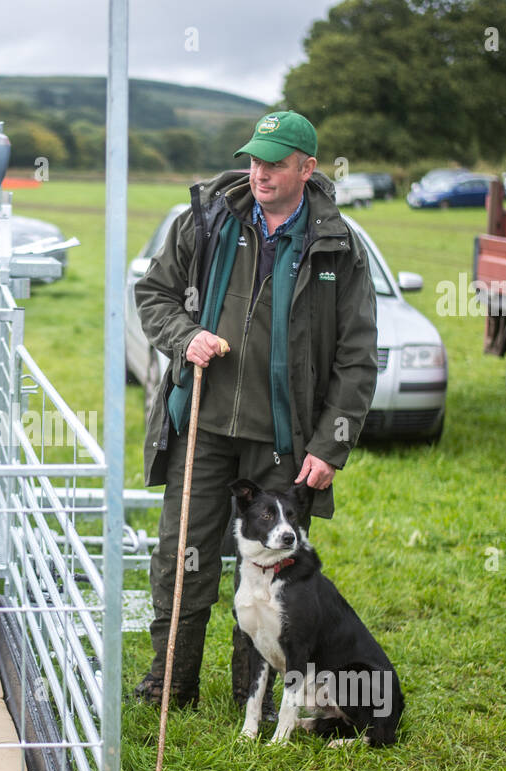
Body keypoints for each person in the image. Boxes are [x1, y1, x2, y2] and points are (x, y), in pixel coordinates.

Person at [134, 110, 377, 714]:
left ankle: (258, 697)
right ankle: (170, 685)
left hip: (283, 442)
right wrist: (184, 334)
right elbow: (153, 294)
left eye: (274, 162)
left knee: (272, 569)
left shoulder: (338, 246)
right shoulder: (209, 220)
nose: (260, 172)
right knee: (182, 557)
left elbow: (357, 358)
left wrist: (329, 445)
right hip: (204, 425)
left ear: (307, 168)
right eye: (254, 159)